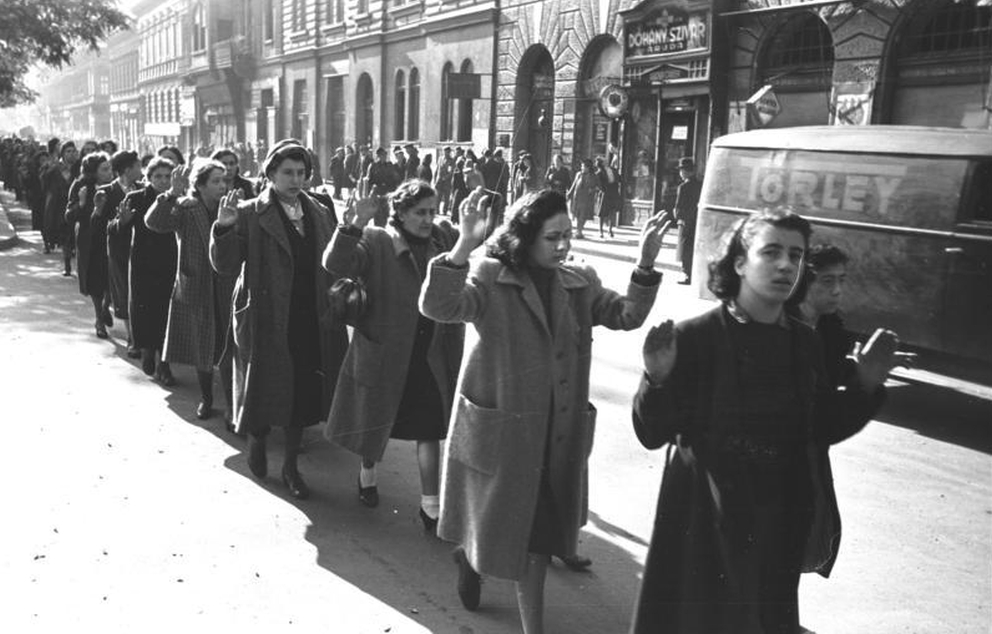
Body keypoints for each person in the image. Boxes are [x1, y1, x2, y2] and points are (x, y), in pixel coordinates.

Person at [631, 209, 903, 634]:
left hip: (774, 524)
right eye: (771, 252)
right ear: (739, 262)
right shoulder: (694, 337)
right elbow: (652, 433)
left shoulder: (803, 341)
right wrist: (657, 379)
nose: (785, 265)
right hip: (705, 525)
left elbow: (818, 429)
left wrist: (865, 388)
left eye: (795, 256)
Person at [420, 188, 672, 634]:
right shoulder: (491, 276)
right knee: (511, 528)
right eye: (552, 237)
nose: (563, 247)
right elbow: (438, 306)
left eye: (567, 236)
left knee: (531, 539)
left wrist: (646, 264)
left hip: (556, 436)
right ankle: (473, 563)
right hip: (506, 434)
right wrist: (462, 244)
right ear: (525, 237)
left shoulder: (578, 283)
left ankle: (481, 565)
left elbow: (628, 314)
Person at [210, 140, 348, 500]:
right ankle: (256, 437)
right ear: (270, 174)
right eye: (287, 172)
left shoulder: (317, 211)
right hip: (266, 314)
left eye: (301, 173)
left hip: (308, 312)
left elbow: (333, 261)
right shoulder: (249, 212)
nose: (295, 180)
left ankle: (290, 466)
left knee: (301, 391)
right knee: (263, 386)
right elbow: (224, 266)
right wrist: (223, 229)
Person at [323, 179, 463, 527]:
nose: (428, 219)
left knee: (430, 428)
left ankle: (430, 505)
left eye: (432, 211)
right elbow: (336, 265)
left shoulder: (441, 238)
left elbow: (471, 246)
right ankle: (367, 474)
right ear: (400, 212)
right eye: (419, 212)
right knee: (376, 420)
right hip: (386, 350)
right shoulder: (376, 240)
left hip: (429, 351)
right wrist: (355, 223)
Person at [146, 160, 236, 413]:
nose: (222, 186)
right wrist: (172, 194)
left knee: (229, 346)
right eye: (215, 181)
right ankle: (206, 399)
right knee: (202, 345)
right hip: (196, 285)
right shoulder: (187, 208)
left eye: (224, 180)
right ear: (200, 185)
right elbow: (154, 223)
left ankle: (232, 405)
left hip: (227, 286)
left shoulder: (231, 208)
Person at [786, 244, 914, 390]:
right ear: (802, 284)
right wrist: (867, 377)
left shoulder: (829, 327)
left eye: (841, 280)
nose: (837, 290)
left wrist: (874, 365)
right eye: (827, 281)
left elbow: (831, 371)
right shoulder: (783, 329)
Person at [120, 156, 179, 385]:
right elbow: (115, 231)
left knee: (166, 311)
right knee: (145, 310)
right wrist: (123, 222)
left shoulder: (179, 200)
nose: (163, 181)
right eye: (158, 176)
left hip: (170, 261)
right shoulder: (135, 198)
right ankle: (147, 349)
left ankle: (165, 364)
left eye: (167, 177)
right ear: (149, 177)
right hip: (143, 263)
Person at [98, 150, 144, 357]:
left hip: (142, 249)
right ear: (127, 169)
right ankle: (133, 337)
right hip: (118, 251)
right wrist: (120, 222)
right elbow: (101, 225)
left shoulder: (143, 189)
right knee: (123, 293)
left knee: (139, 292)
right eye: (138, 166)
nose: (141, 170)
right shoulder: (106, 192)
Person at [66, 151, 115, 338]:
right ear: (93, 172)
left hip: (111, 236)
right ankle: (99, 319)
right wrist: (81, 202)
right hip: (90, 239)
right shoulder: (80, 185)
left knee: (112, 279)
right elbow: (69, 216)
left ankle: (105, 306)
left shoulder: (114, 186)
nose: (109, 172)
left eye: (110, 168)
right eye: (104, 169)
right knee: (95, 280)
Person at [43, 141, 78, 272]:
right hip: (60, 207)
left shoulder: (79, 169)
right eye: (68, 151)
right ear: (62, 153)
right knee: (65, 236)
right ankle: (67, 263)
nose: (71, 154)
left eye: (73, 151)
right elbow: (45, 182)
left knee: (75, 234)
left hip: (75, 205)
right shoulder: (55, 169)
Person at [673, 157, 701, 285]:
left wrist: (678, 216)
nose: (680, 173)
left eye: (681, 170)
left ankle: (687, 273)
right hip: (698, 220)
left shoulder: (683, 187)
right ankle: (695, 273)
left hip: (686, 221)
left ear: (685, 171)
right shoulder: (700, 185)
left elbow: (679, 206)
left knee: (685, 249)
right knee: (695, 247)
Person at [566, 158, 599, 239]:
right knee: (577, 214)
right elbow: (574, 184)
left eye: (583, 166)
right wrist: (569, 193)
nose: (582, 168)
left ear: (588, 167)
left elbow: (598, 187)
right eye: (582, 166)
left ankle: (579, 231)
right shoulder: (578, 174)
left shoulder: (593, 176)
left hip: (586, 198)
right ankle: (578, 230)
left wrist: (593, 189)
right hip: (577, 197)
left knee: (583, 215)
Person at [595, 156, 621, 239]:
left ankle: (610, 229)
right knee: (602, 212)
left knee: (612, 211)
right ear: (601, 163)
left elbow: (618, 178)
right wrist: (603, 190)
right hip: (605, 192)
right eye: (604, 160)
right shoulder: (599, 172)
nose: (606, 160)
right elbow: (598, 183)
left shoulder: (613, 169)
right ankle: (601, 230)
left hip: (613, 191)